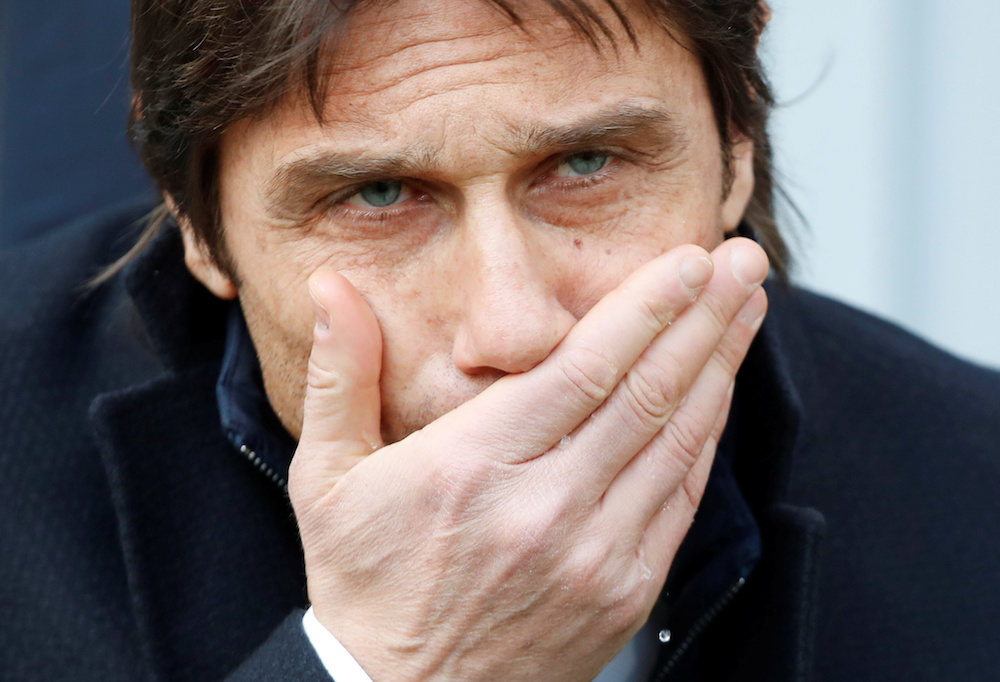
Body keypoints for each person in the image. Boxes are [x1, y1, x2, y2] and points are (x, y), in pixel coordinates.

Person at [1, 1, 998, 681]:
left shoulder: (972, 494)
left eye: (586, 162)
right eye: (377, 194)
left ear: (734, 147)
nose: (514, 330)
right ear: (198, 219)